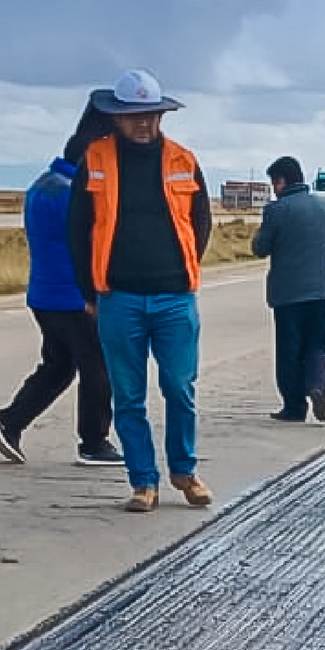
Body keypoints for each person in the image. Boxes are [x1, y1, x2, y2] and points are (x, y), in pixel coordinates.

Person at [70, 68, 214, 513]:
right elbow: (77, 229)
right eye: (133, 116)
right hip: (119, 299)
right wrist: (89, 293)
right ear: (115, 117)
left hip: (175, 297)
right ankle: (143, 482)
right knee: (128, 396)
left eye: (151, 115)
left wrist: (179, 267)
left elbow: (201, 223)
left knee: (179, 387)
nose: (143, 123)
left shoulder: (183, 160)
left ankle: (184, 472)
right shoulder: (94, 159)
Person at [0, 101, 122, 467]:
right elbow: (96, 240)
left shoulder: (41, 185)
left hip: (43, 293)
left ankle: (9, 422)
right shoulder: (73, 193)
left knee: (59, 365)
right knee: (98, 366)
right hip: (73, 297)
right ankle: (93, 441)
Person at [253, 154, 325, 424]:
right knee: (319, 344)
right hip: (322, 291)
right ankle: (317, 386)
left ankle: (294, 407)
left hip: (288, 295)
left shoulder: (276, 210)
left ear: (280, 181)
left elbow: (261, 248)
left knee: (290, 350)